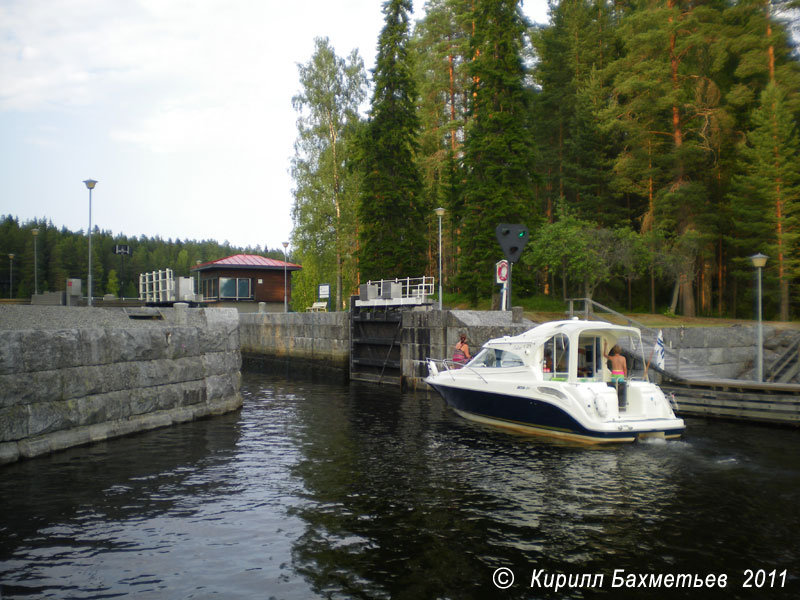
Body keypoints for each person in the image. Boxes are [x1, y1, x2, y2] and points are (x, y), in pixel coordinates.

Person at [604, 342, 628, 409]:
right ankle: (620, 402)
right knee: (620, 388)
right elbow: (625, 368)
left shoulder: (612, 358)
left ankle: (614, 402)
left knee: (614, 388)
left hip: (614, 373)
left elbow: (604, 355)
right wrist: (625, 376)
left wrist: (605, 346)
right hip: (620, 374)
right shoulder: (623, 358)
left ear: (614, 351)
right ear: (620, 351)